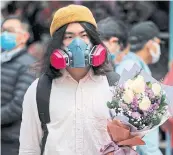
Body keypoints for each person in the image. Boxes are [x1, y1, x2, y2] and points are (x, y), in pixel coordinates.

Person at [19, 5, 116, 155]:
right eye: (69, 37)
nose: (77, 44)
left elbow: (128, 143)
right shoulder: (39, 90)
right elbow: (28, 149)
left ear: (94, 41)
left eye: (84, 36)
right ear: (57, 44)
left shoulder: (114, 86)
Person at [116, 21, 163, 155]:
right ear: (149, 44)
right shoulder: (133, 70)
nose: (158, 47)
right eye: (157, 42)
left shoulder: (130, 66)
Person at [1, 16, 36, 155]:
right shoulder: (3, 59)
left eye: (9, 31)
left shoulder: (29, 65)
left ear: (24, 36)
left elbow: (19, 105)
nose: (4, 35)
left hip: (11, 140)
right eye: (2, 30)